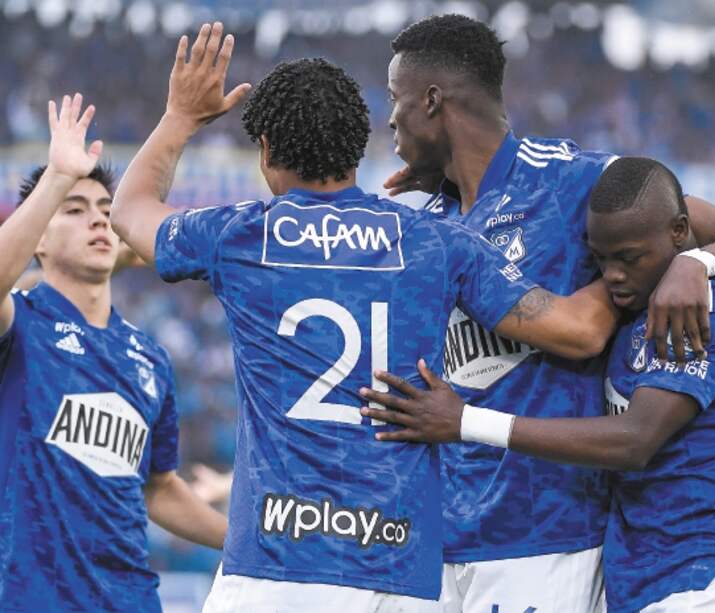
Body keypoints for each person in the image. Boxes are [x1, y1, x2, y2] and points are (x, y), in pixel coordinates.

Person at [110, 23, 616, 611]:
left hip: (276, 564)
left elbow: (130, 210)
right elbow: (578, 330)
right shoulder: (433, 240)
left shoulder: (240, 235)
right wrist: (655, 266)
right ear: (357, 146)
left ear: (268, 151)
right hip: (396, 572)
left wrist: (180, 116)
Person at [383, 14, 715, 610]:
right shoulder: (435, 219)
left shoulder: (571, 180)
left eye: (396, 99)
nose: (389, 117)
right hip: (451, 536)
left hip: (550, 537)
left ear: (433, 101)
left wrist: (696, 263)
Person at [0, 94, 227, 612]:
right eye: (74, 211)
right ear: (38, 238)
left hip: (132, 600)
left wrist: (245, 540)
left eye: (104, 211)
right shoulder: (23, 323)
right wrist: (58, 176)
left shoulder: (149, 358)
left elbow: (159, 488)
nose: (98, 221)